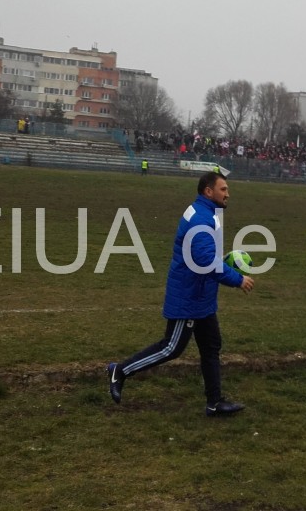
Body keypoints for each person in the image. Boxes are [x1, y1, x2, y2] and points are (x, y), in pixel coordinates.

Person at [107, 172, 255, 416]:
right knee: (171, 348)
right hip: (190, 296)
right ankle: (120, 371)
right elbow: (205, 260)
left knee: (211, 346)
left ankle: (214, 403)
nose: (228, 194)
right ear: (209, 191)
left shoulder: (204, 213)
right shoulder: (200, 219)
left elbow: (205, 252)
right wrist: (237, 278)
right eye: (223, 189)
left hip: (201, 296)